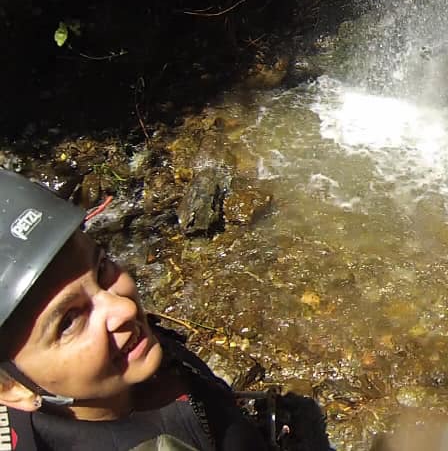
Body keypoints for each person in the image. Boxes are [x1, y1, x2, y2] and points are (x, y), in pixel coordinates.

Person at [0, 168, 269, 450]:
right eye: (69, 321)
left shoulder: (127, 357)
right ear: (10, 387)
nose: (124, 308)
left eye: (101, 268)